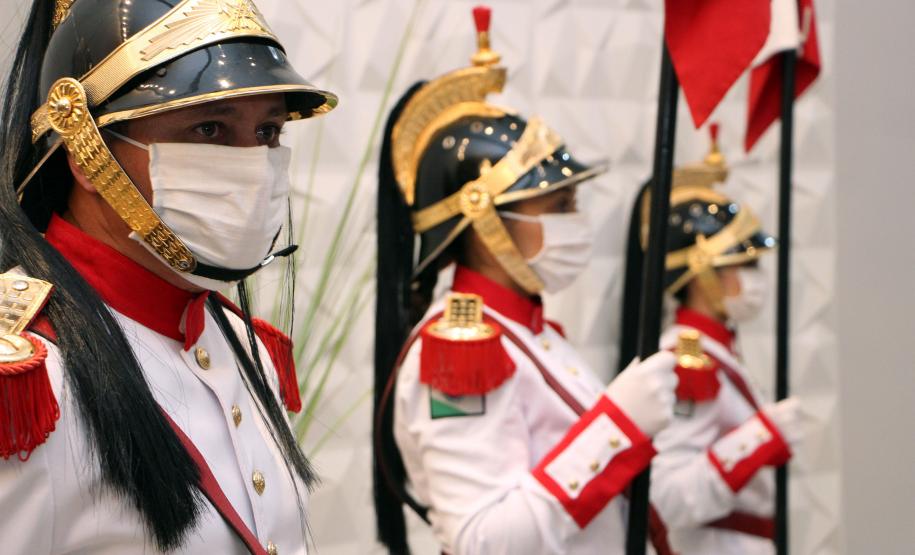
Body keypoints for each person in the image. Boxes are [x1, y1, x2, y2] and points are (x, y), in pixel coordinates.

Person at [0, 1, 337, 553]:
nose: (253, 163)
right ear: (86, 153)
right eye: (210, 128)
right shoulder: (30, 378)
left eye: (268, 131)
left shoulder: (242, 344)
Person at [372, 7, 678, 554]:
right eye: (558, 205)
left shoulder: (531, 330)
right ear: (485, 224)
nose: (575, 220)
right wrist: (618, 430)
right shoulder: (460, 350)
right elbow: (483, 540)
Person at [622, 131, 805, 554]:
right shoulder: (686, 363)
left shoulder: (718, 354)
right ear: (702, 270)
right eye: (744, 264)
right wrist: (759, 439)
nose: (755, 278)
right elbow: (667, 497)